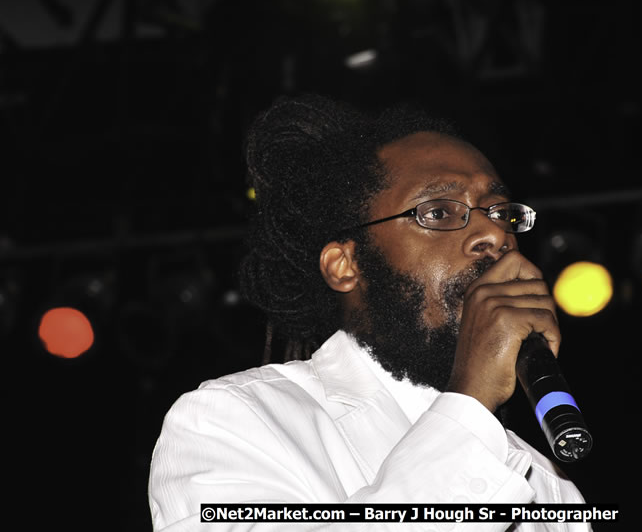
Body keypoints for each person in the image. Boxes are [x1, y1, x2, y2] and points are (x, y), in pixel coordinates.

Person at [148, 94, 590, 531]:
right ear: (346, 265)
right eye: (437, 211)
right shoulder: (235, 421)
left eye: (499, 212)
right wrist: (471, 402)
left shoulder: (549, 487)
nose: (493, 234)